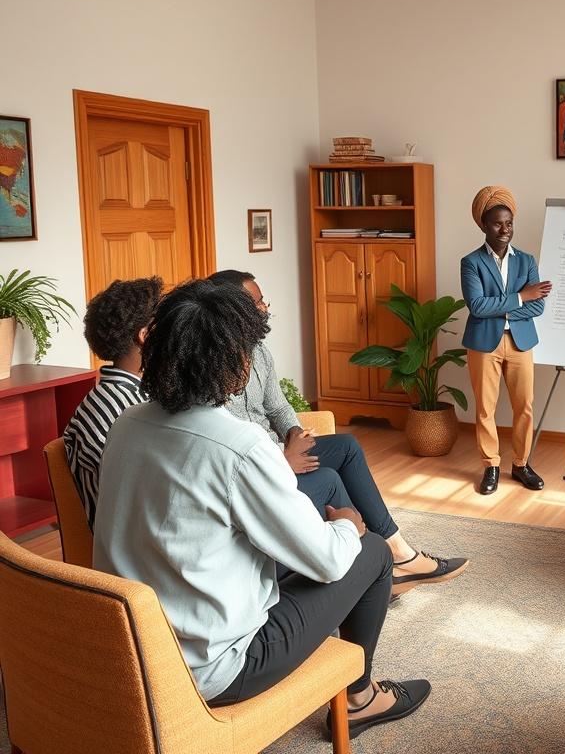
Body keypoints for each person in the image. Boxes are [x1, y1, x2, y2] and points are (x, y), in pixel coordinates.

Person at [92, 279, 430, 736]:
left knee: (295, 552)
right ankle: (360, 699)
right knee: (367, 554)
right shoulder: (238, 445)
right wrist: (349, 526)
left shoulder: (127, 423)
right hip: (215, 670)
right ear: (235, 363)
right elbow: (328, 562)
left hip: (136, 652)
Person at [209, 269, 468, 593]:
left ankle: (395, 552)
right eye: (258, 303)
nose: (265, 308)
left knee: (346, 446)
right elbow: (225, 439)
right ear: (232, 310)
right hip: (260, 465)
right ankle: (380, 568)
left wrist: (294, 434)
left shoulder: (259, 349)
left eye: (263, 301)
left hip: (283, 450)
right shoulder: (210, 365)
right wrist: (280, 458)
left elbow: (277, 406)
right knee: (330, 479)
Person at [461, 186, 551, 495]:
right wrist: (521, 297)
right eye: (498, 224)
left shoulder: (526, 261)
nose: (505, 230)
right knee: (486, 409)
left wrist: (513, 302)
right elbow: (477, 306)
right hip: (483, 344)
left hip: (520, 343)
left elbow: (538, 306)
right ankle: (491, 466)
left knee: (524, 406)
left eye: (509, 223)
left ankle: (521, 464)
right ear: (484, 225)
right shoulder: (471, 262)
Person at [64, 276, 163, 528]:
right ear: (145, 335)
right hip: (130, 551)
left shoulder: (137, 395)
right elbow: (143, 500)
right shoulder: (118, 409)